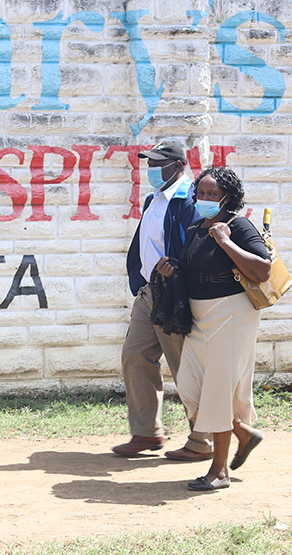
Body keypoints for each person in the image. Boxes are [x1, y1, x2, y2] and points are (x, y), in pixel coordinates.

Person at [155, 166, 271, 491]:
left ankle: (219, 472)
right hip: (200, 317)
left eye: (212, 194)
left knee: (217, 392)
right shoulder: (194, 229)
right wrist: (169, 272)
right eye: (201, 193)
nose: (205, 198)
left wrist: (225, 243)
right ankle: (241, 431)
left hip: (232, 316)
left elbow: (262, 270)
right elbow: (190, 270)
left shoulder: (238, 226)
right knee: (191, 386)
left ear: (227, 197)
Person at [113, 142, 213, 460]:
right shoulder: (153, 199)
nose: (150, 168)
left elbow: (200, 247)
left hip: (174, 294)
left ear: (178, 166)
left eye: (158, 162)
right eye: (149, 162)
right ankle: (146, 433)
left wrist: (178, 276)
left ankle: (204, 439)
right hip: (149, 291)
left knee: (186, 368)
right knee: (135, 356)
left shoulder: (190, 201)